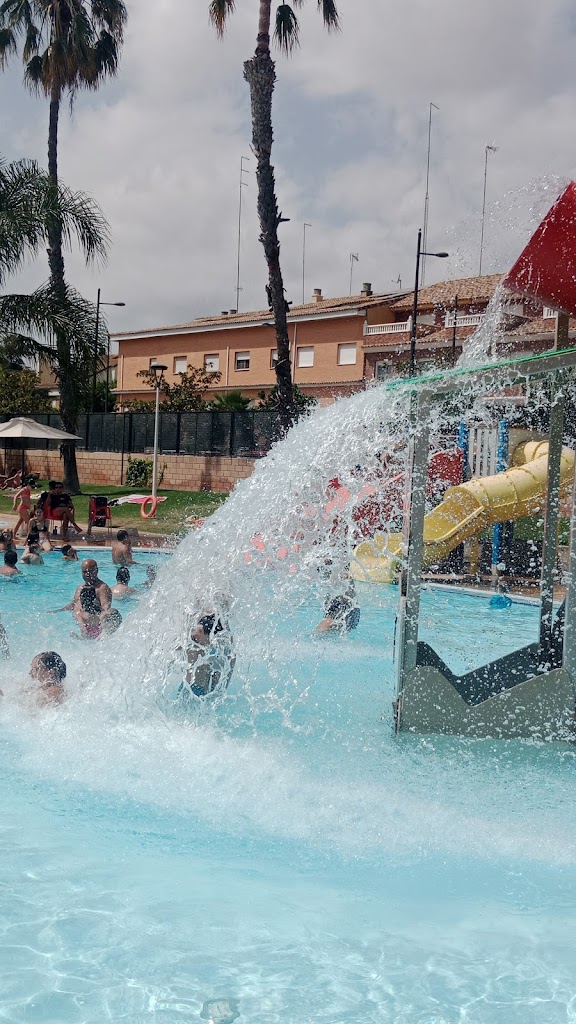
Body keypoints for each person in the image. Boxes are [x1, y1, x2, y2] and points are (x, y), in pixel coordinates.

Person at [179, 609, 235, 698]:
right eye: (208, 640)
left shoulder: (193, 636)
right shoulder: (188, 638)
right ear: (201, 631)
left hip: (190, 688)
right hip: (194, 689)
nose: (208, 644)